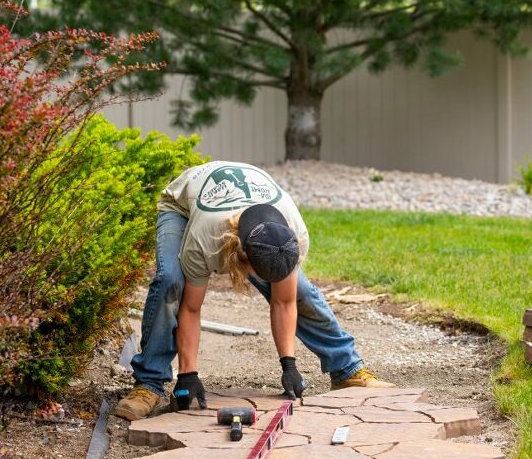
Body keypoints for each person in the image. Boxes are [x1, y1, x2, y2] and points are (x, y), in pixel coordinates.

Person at [113, 161, 393, 421]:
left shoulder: (293, 233)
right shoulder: (206, 239)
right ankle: (148, 384)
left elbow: (285, 302)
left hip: (252, 212)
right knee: (170, 282)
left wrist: (289, 364)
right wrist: (188, 374)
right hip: (183, 208)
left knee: (302, 292)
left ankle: (346, 370)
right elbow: (191, 308)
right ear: (242, 256)